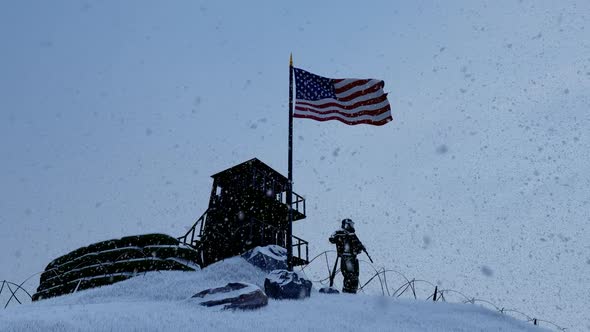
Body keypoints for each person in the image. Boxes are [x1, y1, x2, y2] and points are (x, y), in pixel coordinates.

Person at [329, 218, 366, 294]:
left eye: (352, 225)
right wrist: (342, 234)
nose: (352, 226)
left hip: (353, 258)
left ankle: (352, 292)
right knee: (349, 275)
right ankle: (347, 292)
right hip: (346, 257)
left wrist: (360, 247)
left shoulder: (353, 236)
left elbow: (358, 248)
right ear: (346, 225)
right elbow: (332, 239)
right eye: (350, 224)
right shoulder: (340, 233)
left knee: (355, 276)